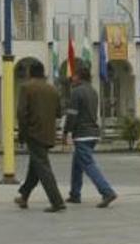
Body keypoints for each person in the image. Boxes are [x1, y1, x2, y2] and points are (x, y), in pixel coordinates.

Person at [14, 61, 67, 212]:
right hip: (48, 133)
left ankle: (57, 201)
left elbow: (21, 114)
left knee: (43, 168)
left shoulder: (26, 87)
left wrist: (22, 134)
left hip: (33, 133)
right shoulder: (52, 89)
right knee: (36, 166)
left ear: (30, 72)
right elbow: (58, 113)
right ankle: (24, 196)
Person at [62, 60, 117, 207]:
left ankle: (107, 192)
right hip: (93, 132)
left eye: (73, 76)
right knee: (77, 164)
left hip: (82, 133)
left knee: (88, 164)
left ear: (79, 77)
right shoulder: (93, 91)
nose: (71, 78)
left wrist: (66, 131)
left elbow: (72, 114)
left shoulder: (76, 92)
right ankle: (75, 194)